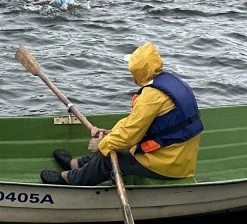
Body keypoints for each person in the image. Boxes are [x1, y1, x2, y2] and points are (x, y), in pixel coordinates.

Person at [41, 42, 203, 185]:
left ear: (138, 70)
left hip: (167, 163)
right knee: (112, 145)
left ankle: (71, 178)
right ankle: (76, 164)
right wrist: (110, 134)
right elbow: (138, 124)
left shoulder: (151, 97)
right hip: (178, 157)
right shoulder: (172, 83)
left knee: (107, 158)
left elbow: (130, 135)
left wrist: (102, 144)